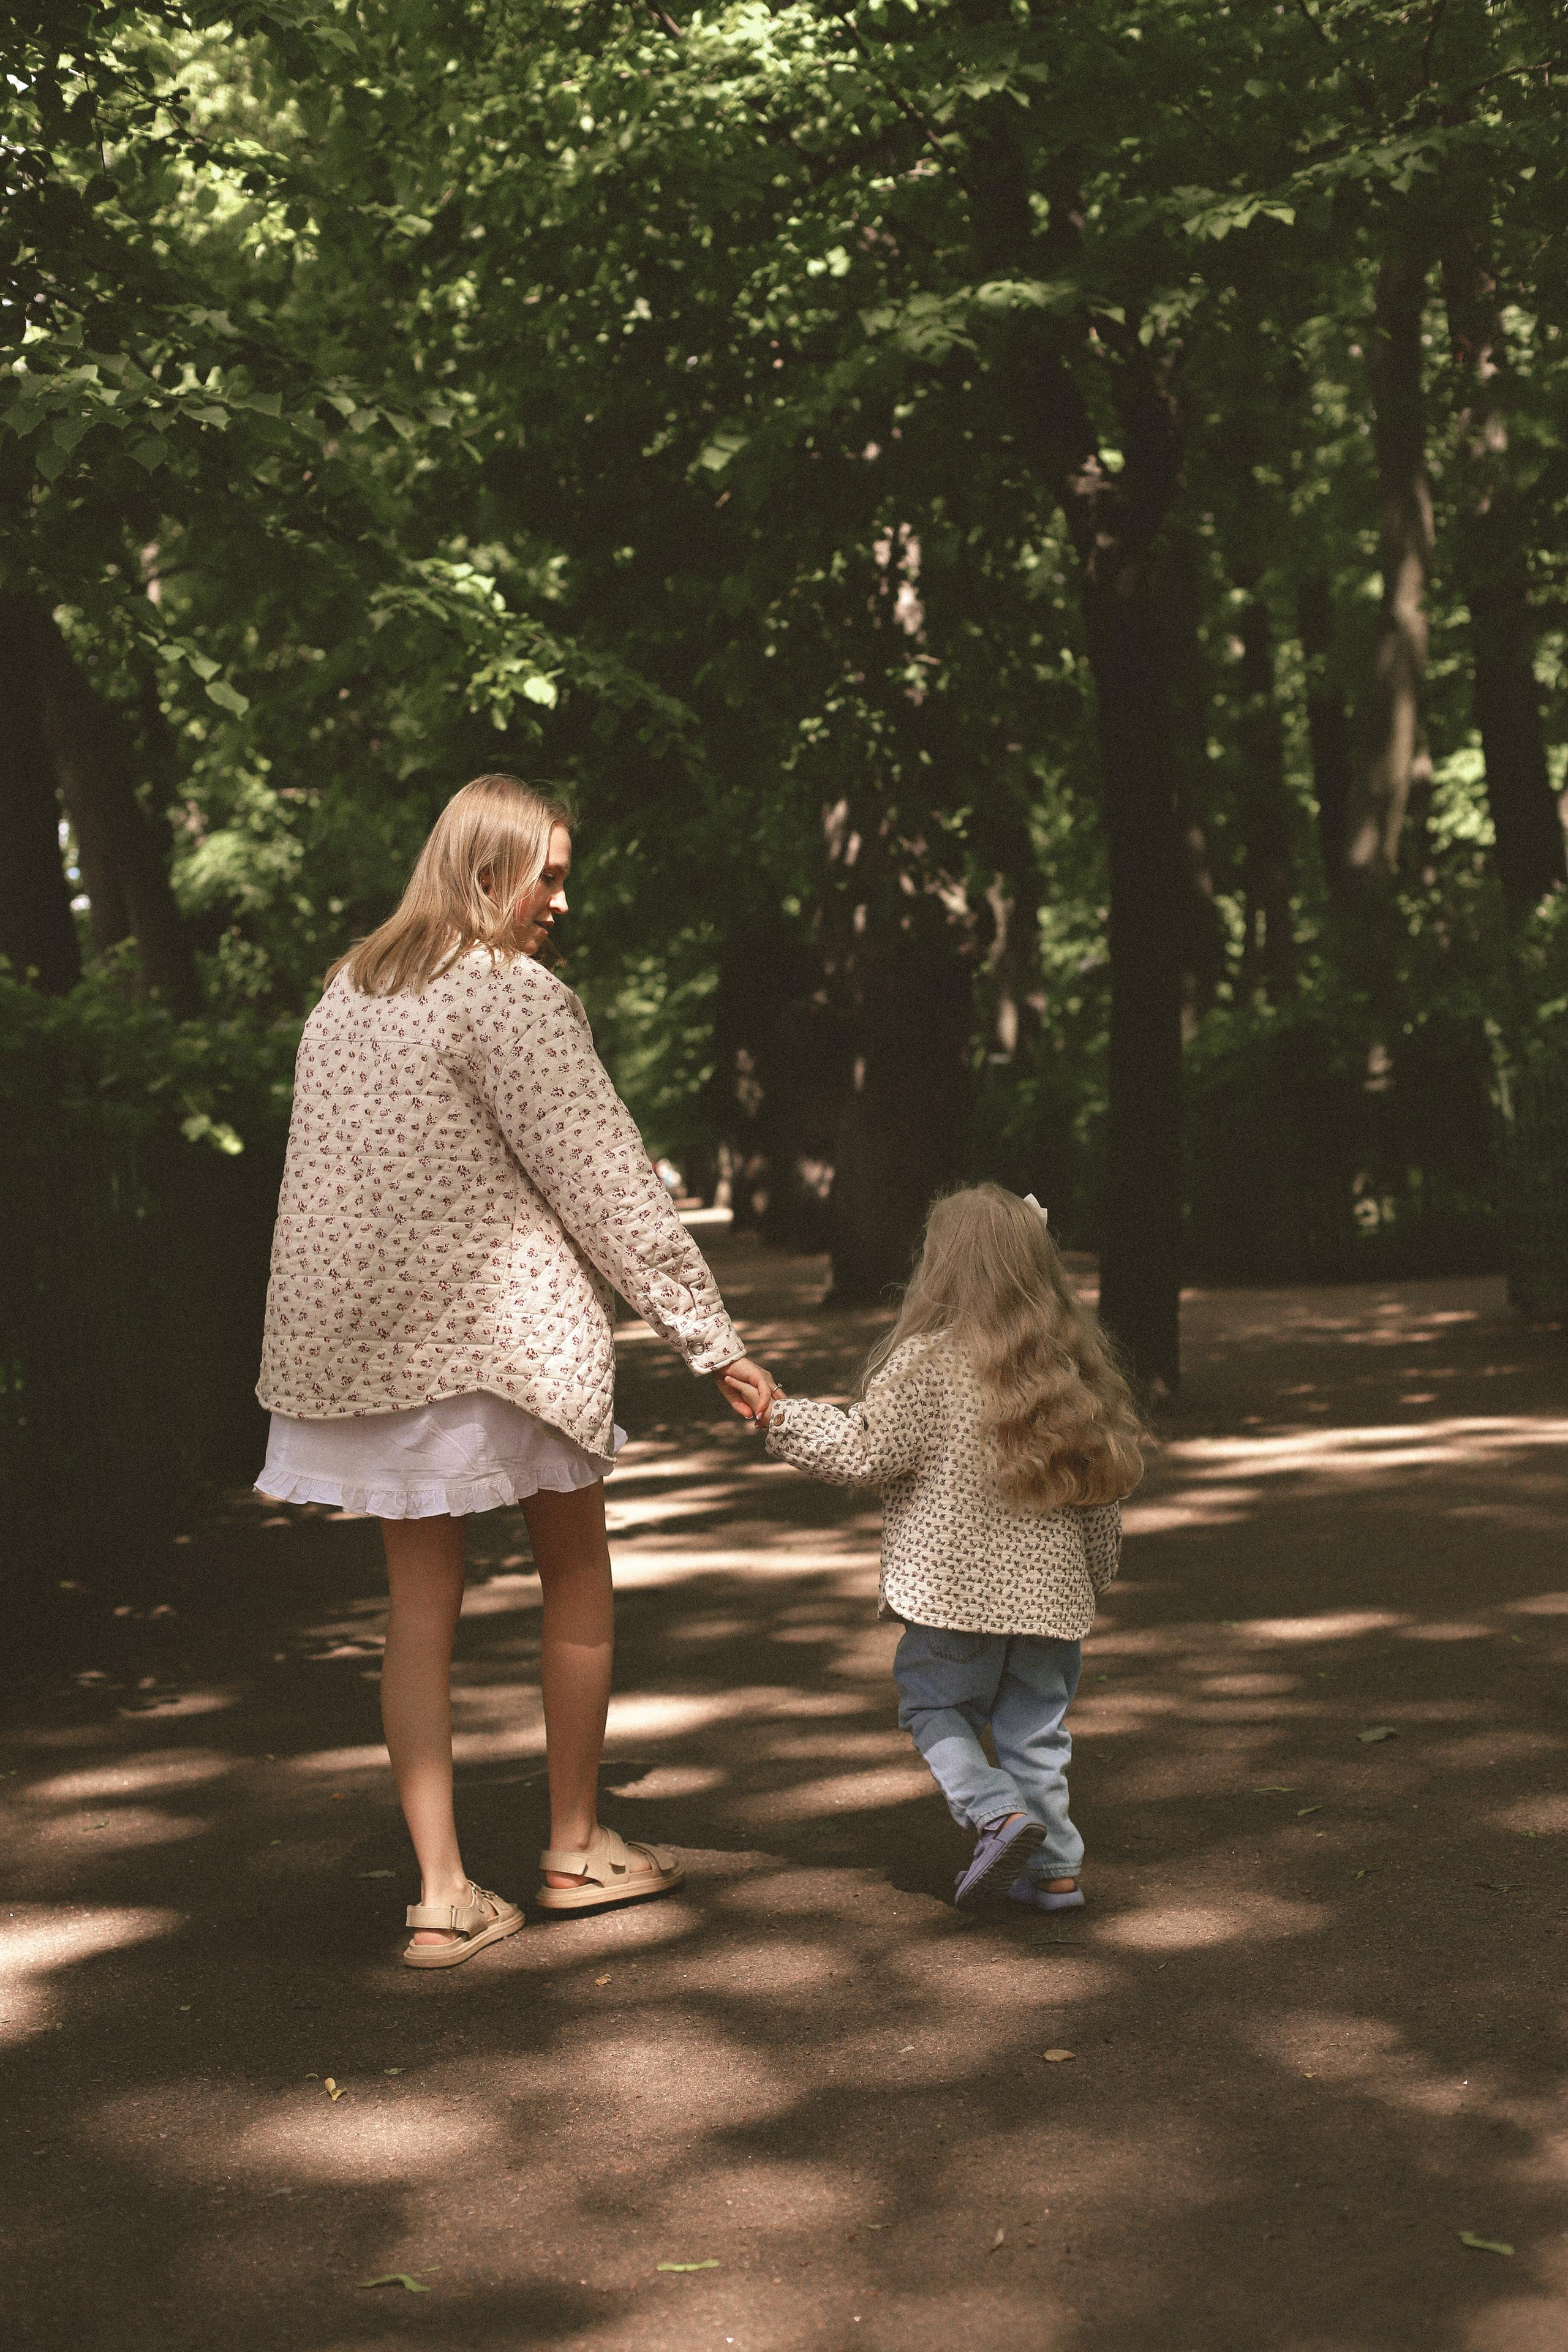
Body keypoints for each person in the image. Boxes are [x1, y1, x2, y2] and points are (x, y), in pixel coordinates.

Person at [254, 774, 777, 1967]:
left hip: (364, 1343)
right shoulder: (511, 993)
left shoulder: (347, 991)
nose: (560, 901)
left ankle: (442, 1894)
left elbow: (319, 1181)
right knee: (574, 1568)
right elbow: (606, 1180)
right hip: (506, 1338)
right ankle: (574, 1846)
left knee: (417, 1606)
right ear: (486, 869)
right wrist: (711, 1340)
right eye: (547, 876)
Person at [757, 1183, 1144, 1912]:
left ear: (942, 1268)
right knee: (1036, 1735)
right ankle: (1055, 1871)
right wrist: (1092, 1579)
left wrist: (782, 1418)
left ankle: (995, 1814)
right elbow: (1099, 1499)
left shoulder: (927, 1364)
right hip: (1051, 1603)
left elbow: (864, 1452)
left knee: (935, 1710)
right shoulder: (1069, 1371)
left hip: (952, 1595)